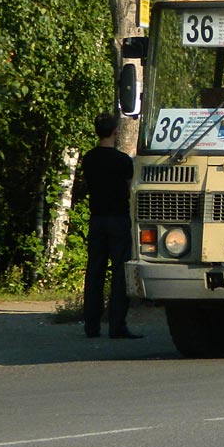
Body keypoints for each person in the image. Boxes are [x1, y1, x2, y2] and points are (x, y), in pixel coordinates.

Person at [81, 112, 140, 339]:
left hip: (96, 219)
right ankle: (117, 325)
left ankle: (91, 326)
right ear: (116, 131)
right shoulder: (123, 161)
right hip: (118, 219)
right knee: (118, 273)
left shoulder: (89, 158)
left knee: (94, 272)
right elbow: (129, 189)